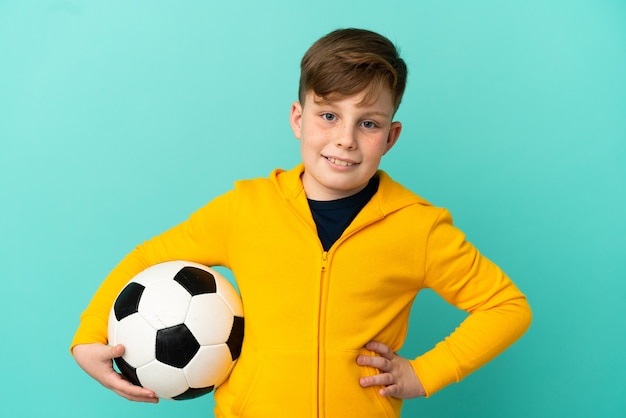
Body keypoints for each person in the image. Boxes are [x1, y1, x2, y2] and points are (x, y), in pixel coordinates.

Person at [71, 28, 532, 417]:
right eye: (328, 115)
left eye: (368, 124)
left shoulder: (418, 229)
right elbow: (148, 258)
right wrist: (90, 337)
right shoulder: (245, 209)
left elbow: (506, 307)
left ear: (391, 137)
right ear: (298, 119)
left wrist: (424, 373)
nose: (345, 140)